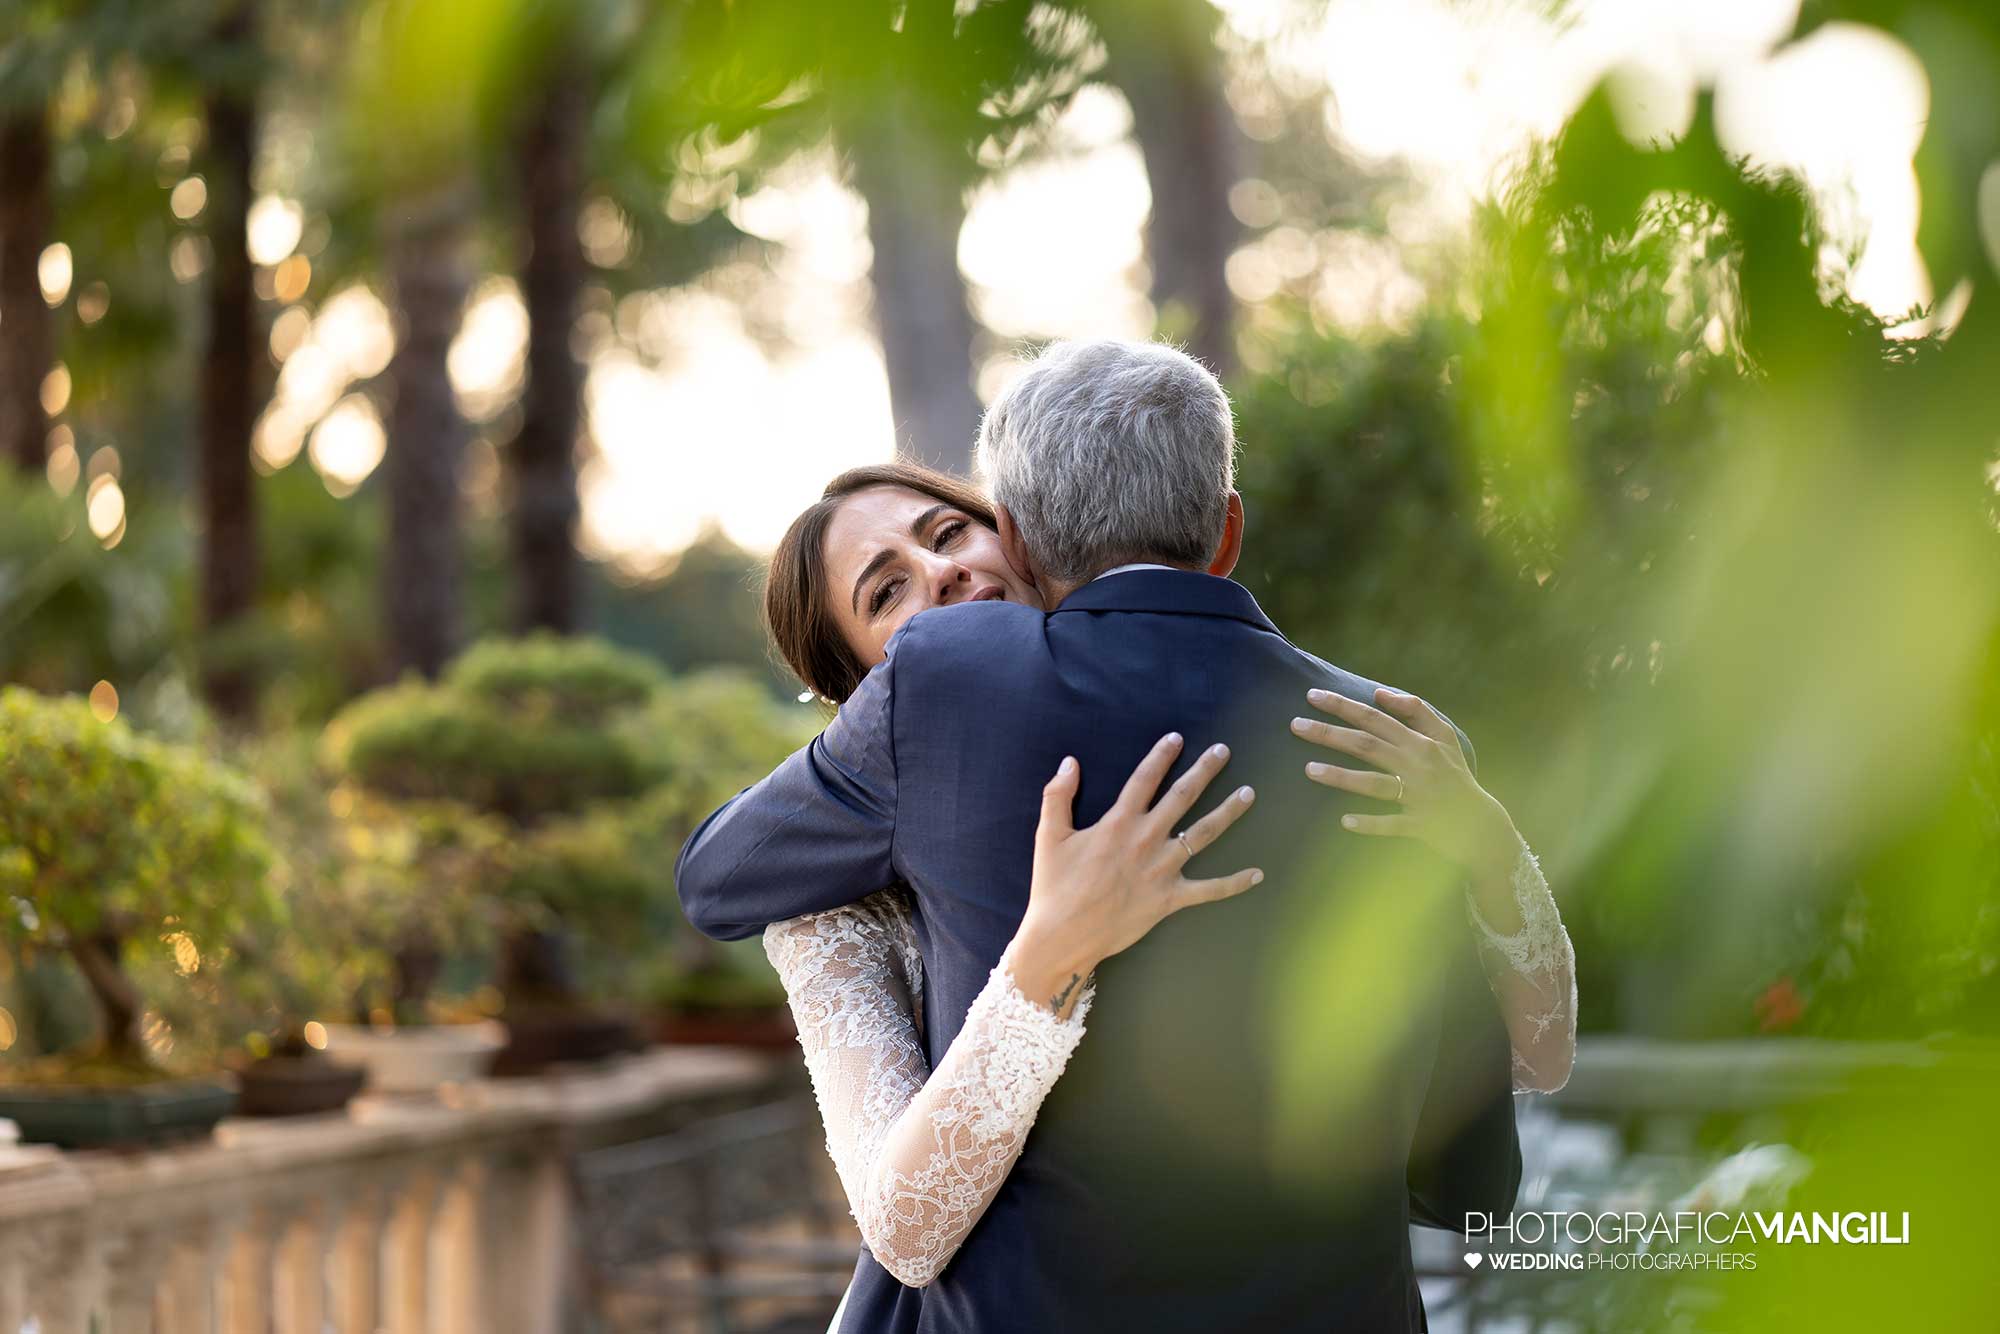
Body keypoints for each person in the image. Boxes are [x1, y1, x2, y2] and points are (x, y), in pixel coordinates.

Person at [680, 341, 1576, 1333]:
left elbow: (1522, 1057)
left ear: (1011, 534)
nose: (938, 577)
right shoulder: (836, 892)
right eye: (884, 591)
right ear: (862, 688)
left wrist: (1487, 847)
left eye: (947, 531)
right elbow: (904, 1229)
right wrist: (1048, 956)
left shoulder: (1362, 747)